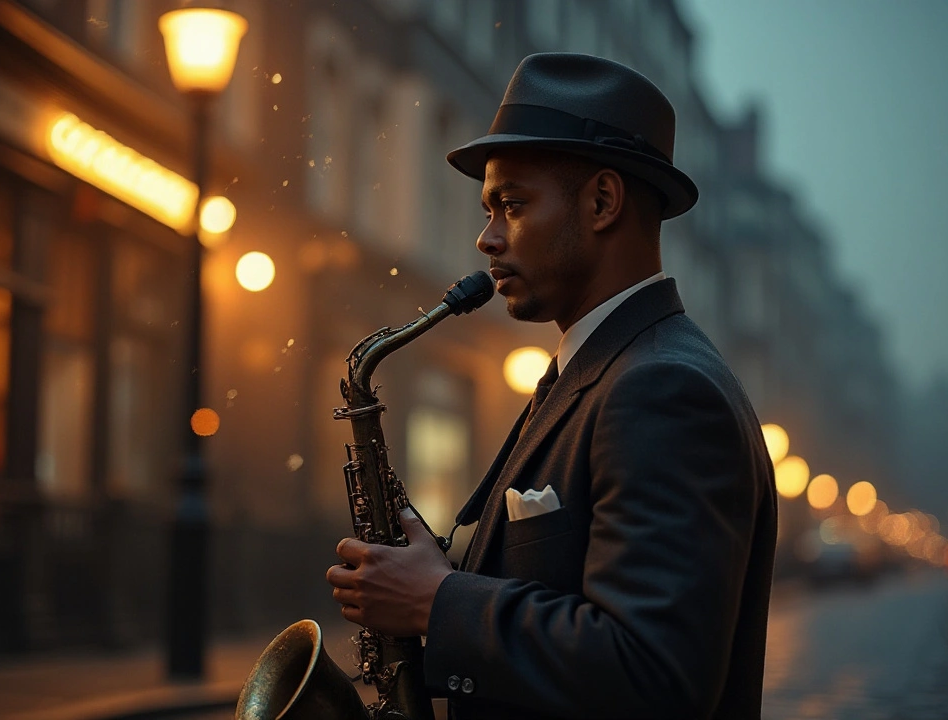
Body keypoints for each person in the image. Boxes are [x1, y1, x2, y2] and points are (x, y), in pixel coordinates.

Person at [327, 52, 778, 720]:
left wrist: (438, 600)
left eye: (511, 205)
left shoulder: (662, 390)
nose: (486, 238)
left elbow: (653, 673)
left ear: (602, 202)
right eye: (488, 210)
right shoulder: (603, 371)